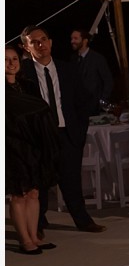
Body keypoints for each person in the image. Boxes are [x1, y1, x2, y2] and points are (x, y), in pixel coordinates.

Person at [19, 25, 105, 235]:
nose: (41, 44)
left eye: (44, 39)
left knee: (71, 179)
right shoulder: (23, 73)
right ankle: (37, 224)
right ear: (26, 47)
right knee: (38, 181)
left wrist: (79, 129)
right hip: (38, 136)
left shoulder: (68, 68)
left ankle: (82, 220)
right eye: (34, 42)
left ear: (51, 42)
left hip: (66, 133)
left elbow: (83, 100)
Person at [6, 45, 59, 254]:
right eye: (6, 60)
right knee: (19, 194)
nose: (11, 63)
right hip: (12, 146)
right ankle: (24, 239)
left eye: (14, 59)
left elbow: (40, 111)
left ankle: (34, 236)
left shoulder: (27, 86)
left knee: (34, 193)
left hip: (33, 146)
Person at [69, 29, 114, 114]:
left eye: (75, 38)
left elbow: (108, 81)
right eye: (71, 38)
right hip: (79, 107)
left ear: (85, 41)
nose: (72, 41)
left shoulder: (97, 58)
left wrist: (102, 101)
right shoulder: (73, 59)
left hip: (95, 107)